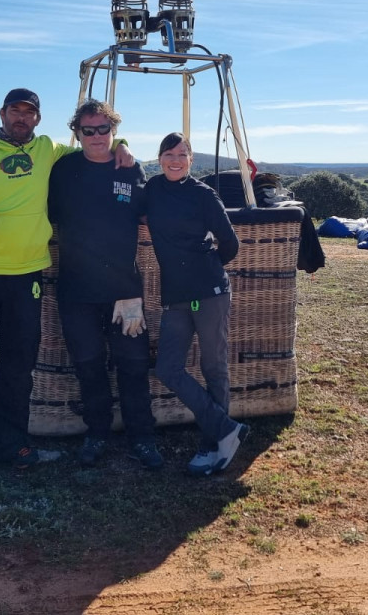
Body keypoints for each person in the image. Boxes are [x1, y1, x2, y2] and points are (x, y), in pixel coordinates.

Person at [0, 88, 133, 489]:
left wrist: (120, 143)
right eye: (15, 111)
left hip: (27, 276)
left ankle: (10, 444)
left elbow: (92, 147)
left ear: (38, 118)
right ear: (2, 113)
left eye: (29, 112)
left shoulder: (48, 150)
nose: (22, 118)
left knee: (17, 367)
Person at [48, 100, 162, 470]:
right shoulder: (63, 169)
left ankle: (142, 438)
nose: (96, 136)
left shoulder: (130, 170)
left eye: (103, 130)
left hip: (124, 291)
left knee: (133, 365)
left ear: (113, 131)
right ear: (77, 133)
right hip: (76, 291)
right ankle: (96, 433)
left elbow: (150, 211)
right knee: (89, 365)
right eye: (88, 130)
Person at [146, 131, 249, 476]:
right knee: (168, 368)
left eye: (182, 154)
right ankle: (226, 428)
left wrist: (205, 268)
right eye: (169, 154)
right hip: (176, 296)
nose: (175, 160)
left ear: (191, 160)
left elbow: (230, 244)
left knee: (213, 366)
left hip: (208, 294)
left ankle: (213, 445)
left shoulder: (204, 195)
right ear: (159, 158)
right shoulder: (152, 191)